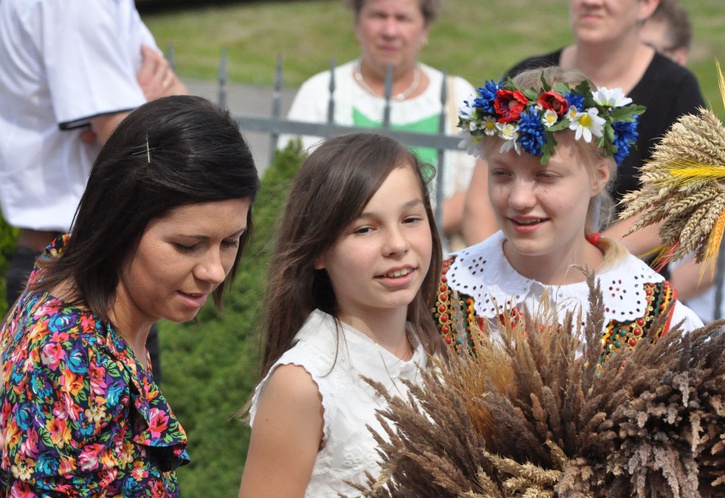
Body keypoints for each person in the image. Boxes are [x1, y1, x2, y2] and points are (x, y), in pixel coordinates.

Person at [0, 95, 260, 495]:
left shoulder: (76, 277)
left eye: (230, 241)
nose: (215, 271)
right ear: (119, 222)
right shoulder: (73, 363)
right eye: (188, 245)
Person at [436, 67, 702, 357]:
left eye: (545, 176)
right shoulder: (445, 291)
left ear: (598, 176)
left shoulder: (648, 312)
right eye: (502, 174)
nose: (520, 198)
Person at [238, 133, 443, 497]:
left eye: (411, 219)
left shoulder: (438, 356)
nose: (397, 245)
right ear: (319, 250)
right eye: (365, 229)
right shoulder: (304, 383)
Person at [0, 0, 187, 381]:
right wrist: (157, 114)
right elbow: (141, 147)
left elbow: (140, 132)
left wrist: (157, 112)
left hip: (90, 269)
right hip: (83, 278)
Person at [461, 0, 705, 267]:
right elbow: (480, 199)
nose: (591, 2)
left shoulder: (676, 90)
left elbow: (670, 207)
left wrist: (587, 263)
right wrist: (498, 272)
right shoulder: (528, 79)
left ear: (646, 5)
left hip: (617, 282)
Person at [281, 0, 477, 241]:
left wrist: (412, 232)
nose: (390, 31)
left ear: (424, 29)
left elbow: (479, 190)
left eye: (403, 18)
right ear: (357, 23)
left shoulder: (458, 96)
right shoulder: (320, 92)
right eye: (378, 16)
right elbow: (294, 182)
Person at [640, 0, 725, 323]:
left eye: (649, 50)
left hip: (682, 321)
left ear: (678, 57)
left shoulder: (702, 143)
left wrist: (648, 309)